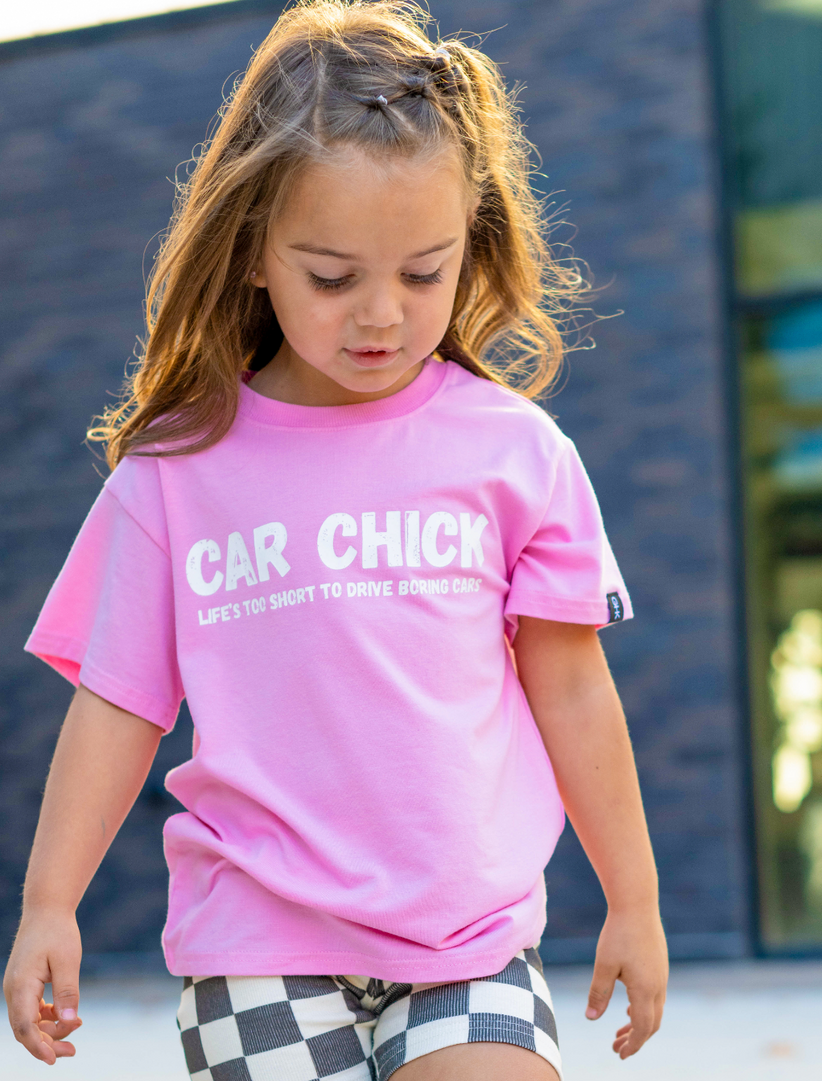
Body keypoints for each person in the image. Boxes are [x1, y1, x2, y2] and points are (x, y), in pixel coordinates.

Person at [2, 1, 668, 1077]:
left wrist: (633, 898)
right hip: (257, 949)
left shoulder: (518, 454)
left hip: (469, 943)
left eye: (424, 273)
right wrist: (48, 904)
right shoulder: (175, 473)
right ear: (256, 250)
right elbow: (117, 702)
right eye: (331, 275)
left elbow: (574, 690)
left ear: (471, 244)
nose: (381, 316)